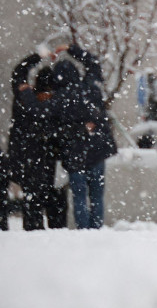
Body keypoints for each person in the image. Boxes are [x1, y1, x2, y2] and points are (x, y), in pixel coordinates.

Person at [51, 45, 118, 230]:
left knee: (79, 196)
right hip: (97, 149)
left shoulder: (58, 99)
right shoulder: (90, 87)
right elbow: (93, 63)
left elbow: (56, 129)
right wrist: (72, 49)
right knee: (97, 195)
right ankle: (96, 228)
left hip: (75, 154)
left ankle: (83, 230)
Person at [10, 58, 66, 230]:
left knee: (33, 199)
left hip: (28, 158)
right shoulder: (56, 104)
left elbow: (18, 74)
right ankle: (56, 230)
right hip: (51, 159)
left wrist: (36, 57)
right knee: (55, 199)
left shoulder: (25, 99)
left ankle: (33, 230)